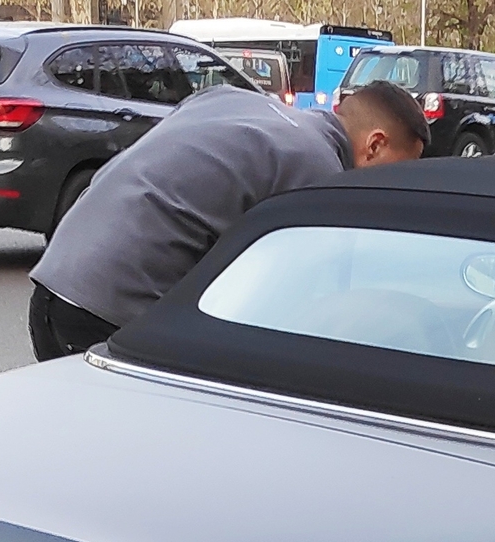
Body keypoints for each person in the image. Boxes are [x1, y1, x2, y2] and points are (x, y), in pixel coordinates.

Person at [26, 80, 430, 361]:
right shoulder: (318, 169)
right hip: (108, 314)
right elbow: (307, 304)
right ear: (375, 144)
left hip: (57, 278)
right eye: (400, 167)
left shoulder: (234, 100)